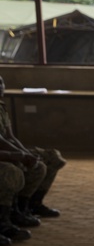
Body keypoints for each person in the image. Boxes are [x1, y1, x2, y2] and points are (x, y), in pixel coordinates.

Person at [0, 75, 66, 222]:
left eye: (2, 83)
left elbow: (10, 137)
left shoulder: (1, 108)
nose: (1, 87)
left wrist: (24, 152)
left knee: (52, 158)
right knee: (18, 169)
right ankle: (10, 213)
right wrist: (19, 155)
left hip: (9, 149)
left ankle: (32, 204)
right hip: (4, 153)